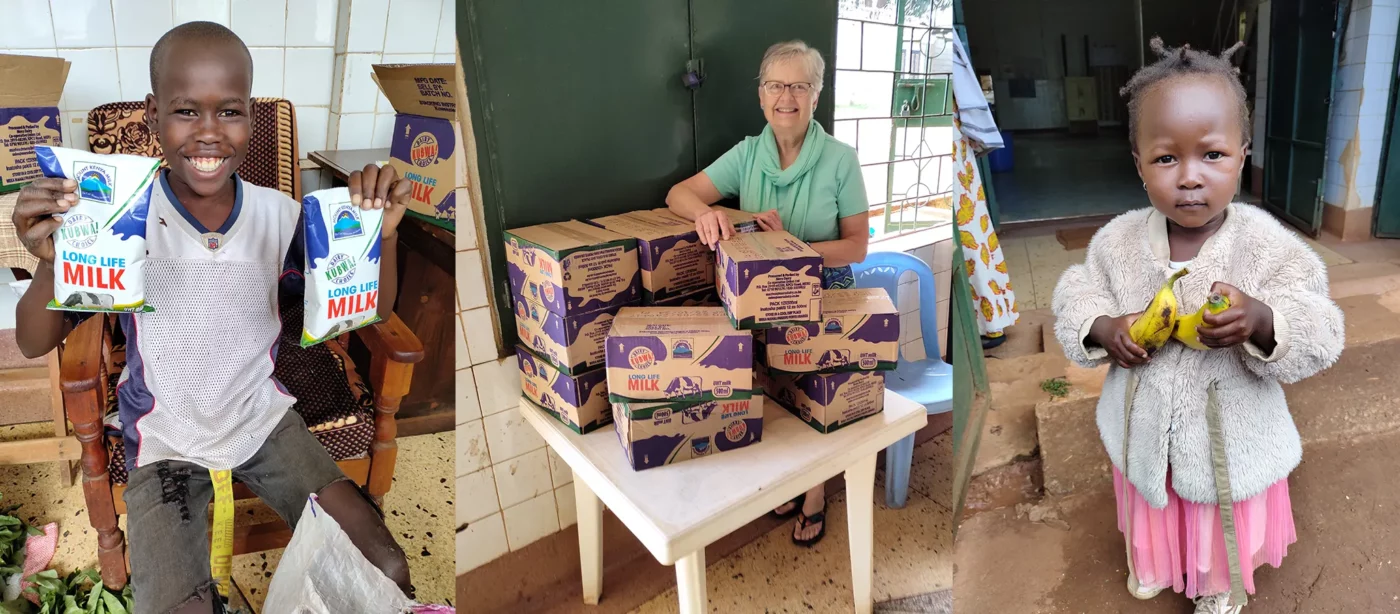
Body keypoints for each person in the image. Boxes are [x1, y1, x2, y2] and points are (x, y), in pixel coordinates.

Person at [9, 22, 412, 613]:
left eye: (229, 111)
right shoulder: (118, 221)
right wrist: (49, 265)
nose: (207, 133)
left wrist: (386, 239)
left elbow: (368, 309)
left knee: (384, 567)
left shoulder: (282, 216)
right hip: (164, 438)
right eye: (184, 111)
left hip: (262, 421)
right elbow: (28, 341)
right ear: (152, 116)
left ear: (250, 115)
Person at [1052, 39, 1344, 614]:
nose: (1189, 178)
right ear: (1138, 163)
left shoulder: (1266, 244)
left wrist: (1264, 321)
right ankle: (1157, 560)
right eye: (1166, 158)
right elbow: (1073, 292)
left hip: (1227, 441)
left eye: (1211, 155)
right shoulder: (1118, 241)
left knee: (1213, 512)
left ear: (1243, 153)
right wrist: (1104, 327)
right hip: (1144, 430)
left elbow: (1323, 326)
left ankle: (1215, 586)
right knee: (1153, 501)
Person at [666, 40, 869, 547]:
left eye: (800, 85)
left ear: (816, 96)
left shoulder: (842, 160)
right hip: (761, 292)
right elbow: (678, 194)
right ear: (761, 96)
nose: (787, 97)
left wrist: (791, 249)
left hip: (825, 288)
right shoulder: (748, 154)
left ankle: (816, 493)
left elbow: (857, 247)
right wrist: (705, 214)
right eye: (776, 85)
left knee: (812, 394)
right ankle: (790, 480)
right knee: (769, 392)